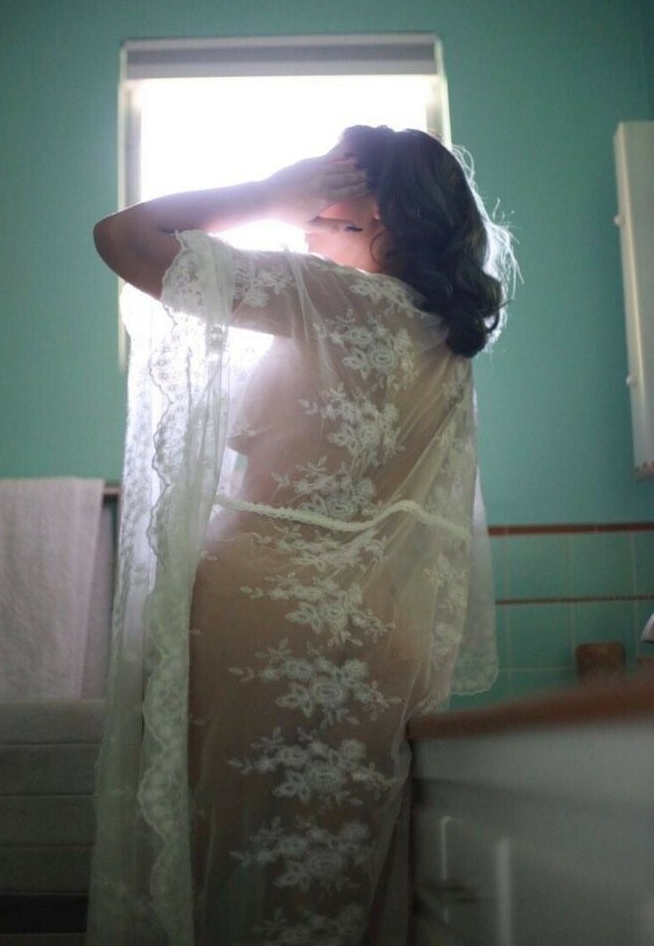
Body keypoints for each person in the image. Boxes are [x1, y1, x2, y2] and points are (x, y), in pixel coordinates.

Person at [85, 125, 518, 945]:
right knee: (327, 890)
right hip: (381, 637)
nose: (310, 198)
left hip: (262, 615)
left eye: (332, 177)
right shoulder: (445, 342)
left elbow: (123, 237)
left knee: (227, 877)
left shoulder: (331, 296)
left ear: (376, 213)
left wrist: (265, 194)